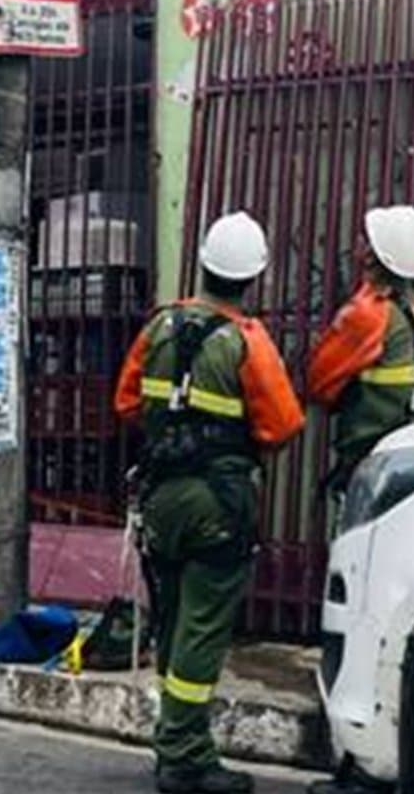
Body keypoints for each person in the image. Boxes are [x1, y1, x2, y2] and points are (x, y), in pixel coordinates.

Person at [114, 211, 305, 794]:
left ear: (202, 262)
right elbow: (283, 425)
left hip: (161, 497)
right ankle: (183, 756)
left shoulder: (159, 328)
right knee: (201, 627)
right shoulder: (247, 342)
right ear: (253, 278)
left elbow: (126, 404)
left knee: (173, 622)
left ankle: (175, 741)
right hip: (217, 504)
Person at [307, 205, 414, 497]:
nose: (357, 244)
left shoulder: (370, 314)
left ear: (371, 254)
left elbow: (317, 384)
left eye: (363, 238)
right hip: (408, 454)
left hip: (371, 459)